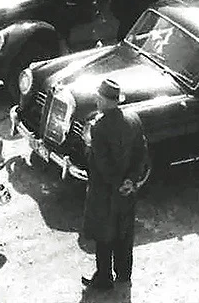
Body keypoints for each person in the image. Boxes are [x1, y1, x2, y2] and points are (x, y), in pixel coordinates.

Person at [81, 78, 149, 291]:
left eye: (98, 97)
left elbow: (101, 164)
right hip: (127, 192)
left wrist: (119, 183)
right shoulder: (133, 119)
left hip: (105, 192)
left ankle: (103, 278)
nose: (95, 100)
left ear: (106, 101)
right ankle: (123, 275)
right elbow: (142, 153)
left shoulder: (99, 128)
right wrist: (130, 181)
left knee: (104, 235)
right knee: (124, 233)